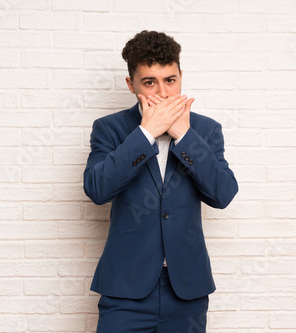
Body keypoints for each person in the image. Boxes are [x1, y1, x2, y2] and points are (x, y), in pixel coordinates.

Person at [83, 30, 238, 333]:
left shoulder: (205, 130)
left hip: (187, 289)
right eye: (150, 82)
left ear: (181, 76)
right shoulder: (110, 129)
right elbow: (97, 189)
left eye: (170, 80)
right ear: (131, 85)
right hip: (125, 287)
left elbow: (223, 194)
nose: (164, 93)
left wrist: (184, 136)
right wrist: (145, 134)